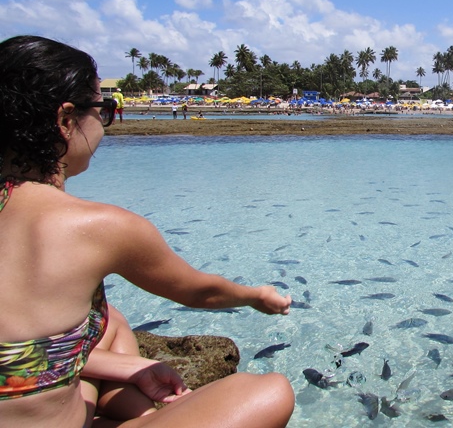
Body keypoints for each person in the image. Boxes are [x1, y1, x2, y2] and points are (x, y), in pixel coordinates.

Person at [0, 36, 295, 428]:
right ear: (67, 120)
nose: (104, 122)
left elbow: (19, 356)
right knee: (270, 391)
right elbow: (199, 292)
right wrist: (256, 296)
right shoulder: (99, 227)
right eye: (102, 109)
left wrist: (130, 367)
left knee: (113, 320)